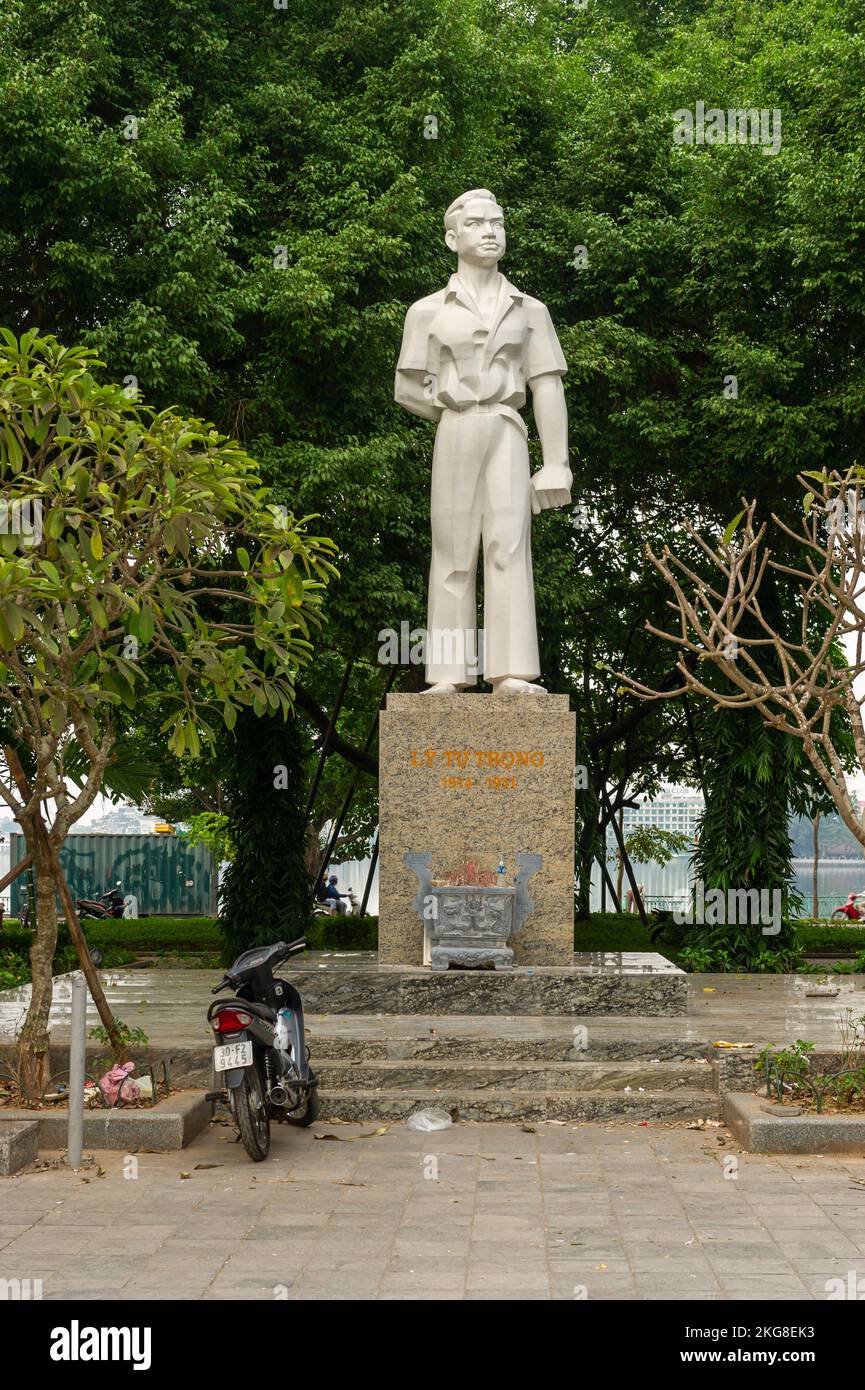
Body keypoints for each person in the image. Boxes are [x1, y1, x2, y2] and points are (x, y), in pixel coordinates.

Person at [394, 188, 572, 694]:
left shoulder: (530, 310)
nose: (490, 231)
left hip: (508, 429)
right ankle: (448, 677)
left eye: (497, 222)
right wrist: (455, 406)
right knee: (452, 552)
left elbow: (547, 383)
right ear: (452, 237)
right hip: (456, 429)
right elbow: (408, 386)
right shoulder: (426, 311)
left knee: (509, 547)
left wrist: (556, 461)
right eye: (476, 224)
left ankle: (511, 671)